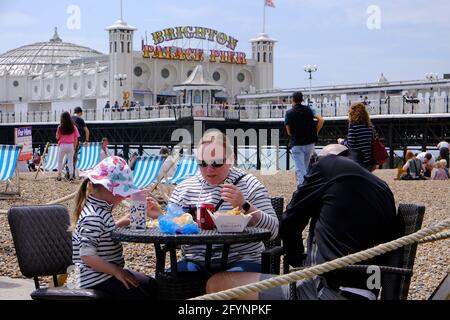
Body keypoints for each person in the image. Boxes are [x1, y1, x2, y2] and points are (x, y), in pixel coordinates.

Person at [206, 144, 398, 300]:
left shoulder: (328, 166)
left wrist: (296, 258)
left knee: (217, 283)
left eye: (314, 162)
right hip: (367, 292)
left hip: (326, 291)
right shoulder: (382, 187)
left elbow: (289, 223)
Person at [147, 130, 279, 272]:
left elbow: (273, 231)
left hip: (242, 258)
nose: (209, 169)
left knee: (221, 284)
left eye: (217, 163)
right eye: (202, 163)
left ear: (231, 158)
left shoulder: (249, 184)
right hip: (195, 260)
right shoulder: (184, 188)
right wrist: (161, 216)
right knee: (167, 281)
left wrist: (244, 205)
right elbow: (173, 231)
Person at [70, 156, 158, 300]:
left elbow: (100, 234)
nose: (124, 198)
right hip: (94, 278)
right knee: (141, 296)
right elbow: (86, 255)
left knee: (151, 285)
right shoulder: (94, 216)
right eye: (122, 194)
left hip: (102, 274)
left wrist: (120, 223)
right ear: (109, 189)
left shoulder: (99, 209)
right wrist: (117, 271)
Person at [285, 91, 324, 185]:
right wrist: (316, 132)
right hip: (310, 143)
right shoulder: (310, 110)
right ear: (302, 100)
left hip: (297, 144)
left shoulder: (288, 113)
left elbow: (289, 132)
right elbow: (321, 120)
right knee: (305, 167)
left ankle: (303, 189)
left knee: (300, 169)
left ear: (292, 100)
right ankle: (307, 186)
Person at [338, 102, 376, 171]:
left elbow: (350, 146)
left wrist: (342, 142)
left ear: (352, 113)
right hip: (369, 163)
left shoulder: (353, 126)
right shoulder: (370, 126)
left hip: (358, 163)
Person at [56, 112, 79, 182]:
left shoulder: (60, 127)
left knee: (60, 161)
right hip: (70, 145)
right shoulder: (73, 127)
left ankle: (59, 175)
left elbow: (58, 137)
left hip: (62, 145)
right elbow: (76, 138)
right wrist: (74, 146)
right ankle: (71, 176)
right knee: (70, 162)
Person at [72, 107, 90, 179]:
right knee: (74, 156)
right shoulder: (80, 119)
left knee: (68, 156)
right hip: (76, 140)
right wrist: (86, 140)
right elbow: (87, 131)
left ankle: (67, 171)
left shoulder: (68, 118)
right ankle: (72, 172)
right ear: (80, 113)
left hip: (66, 140)